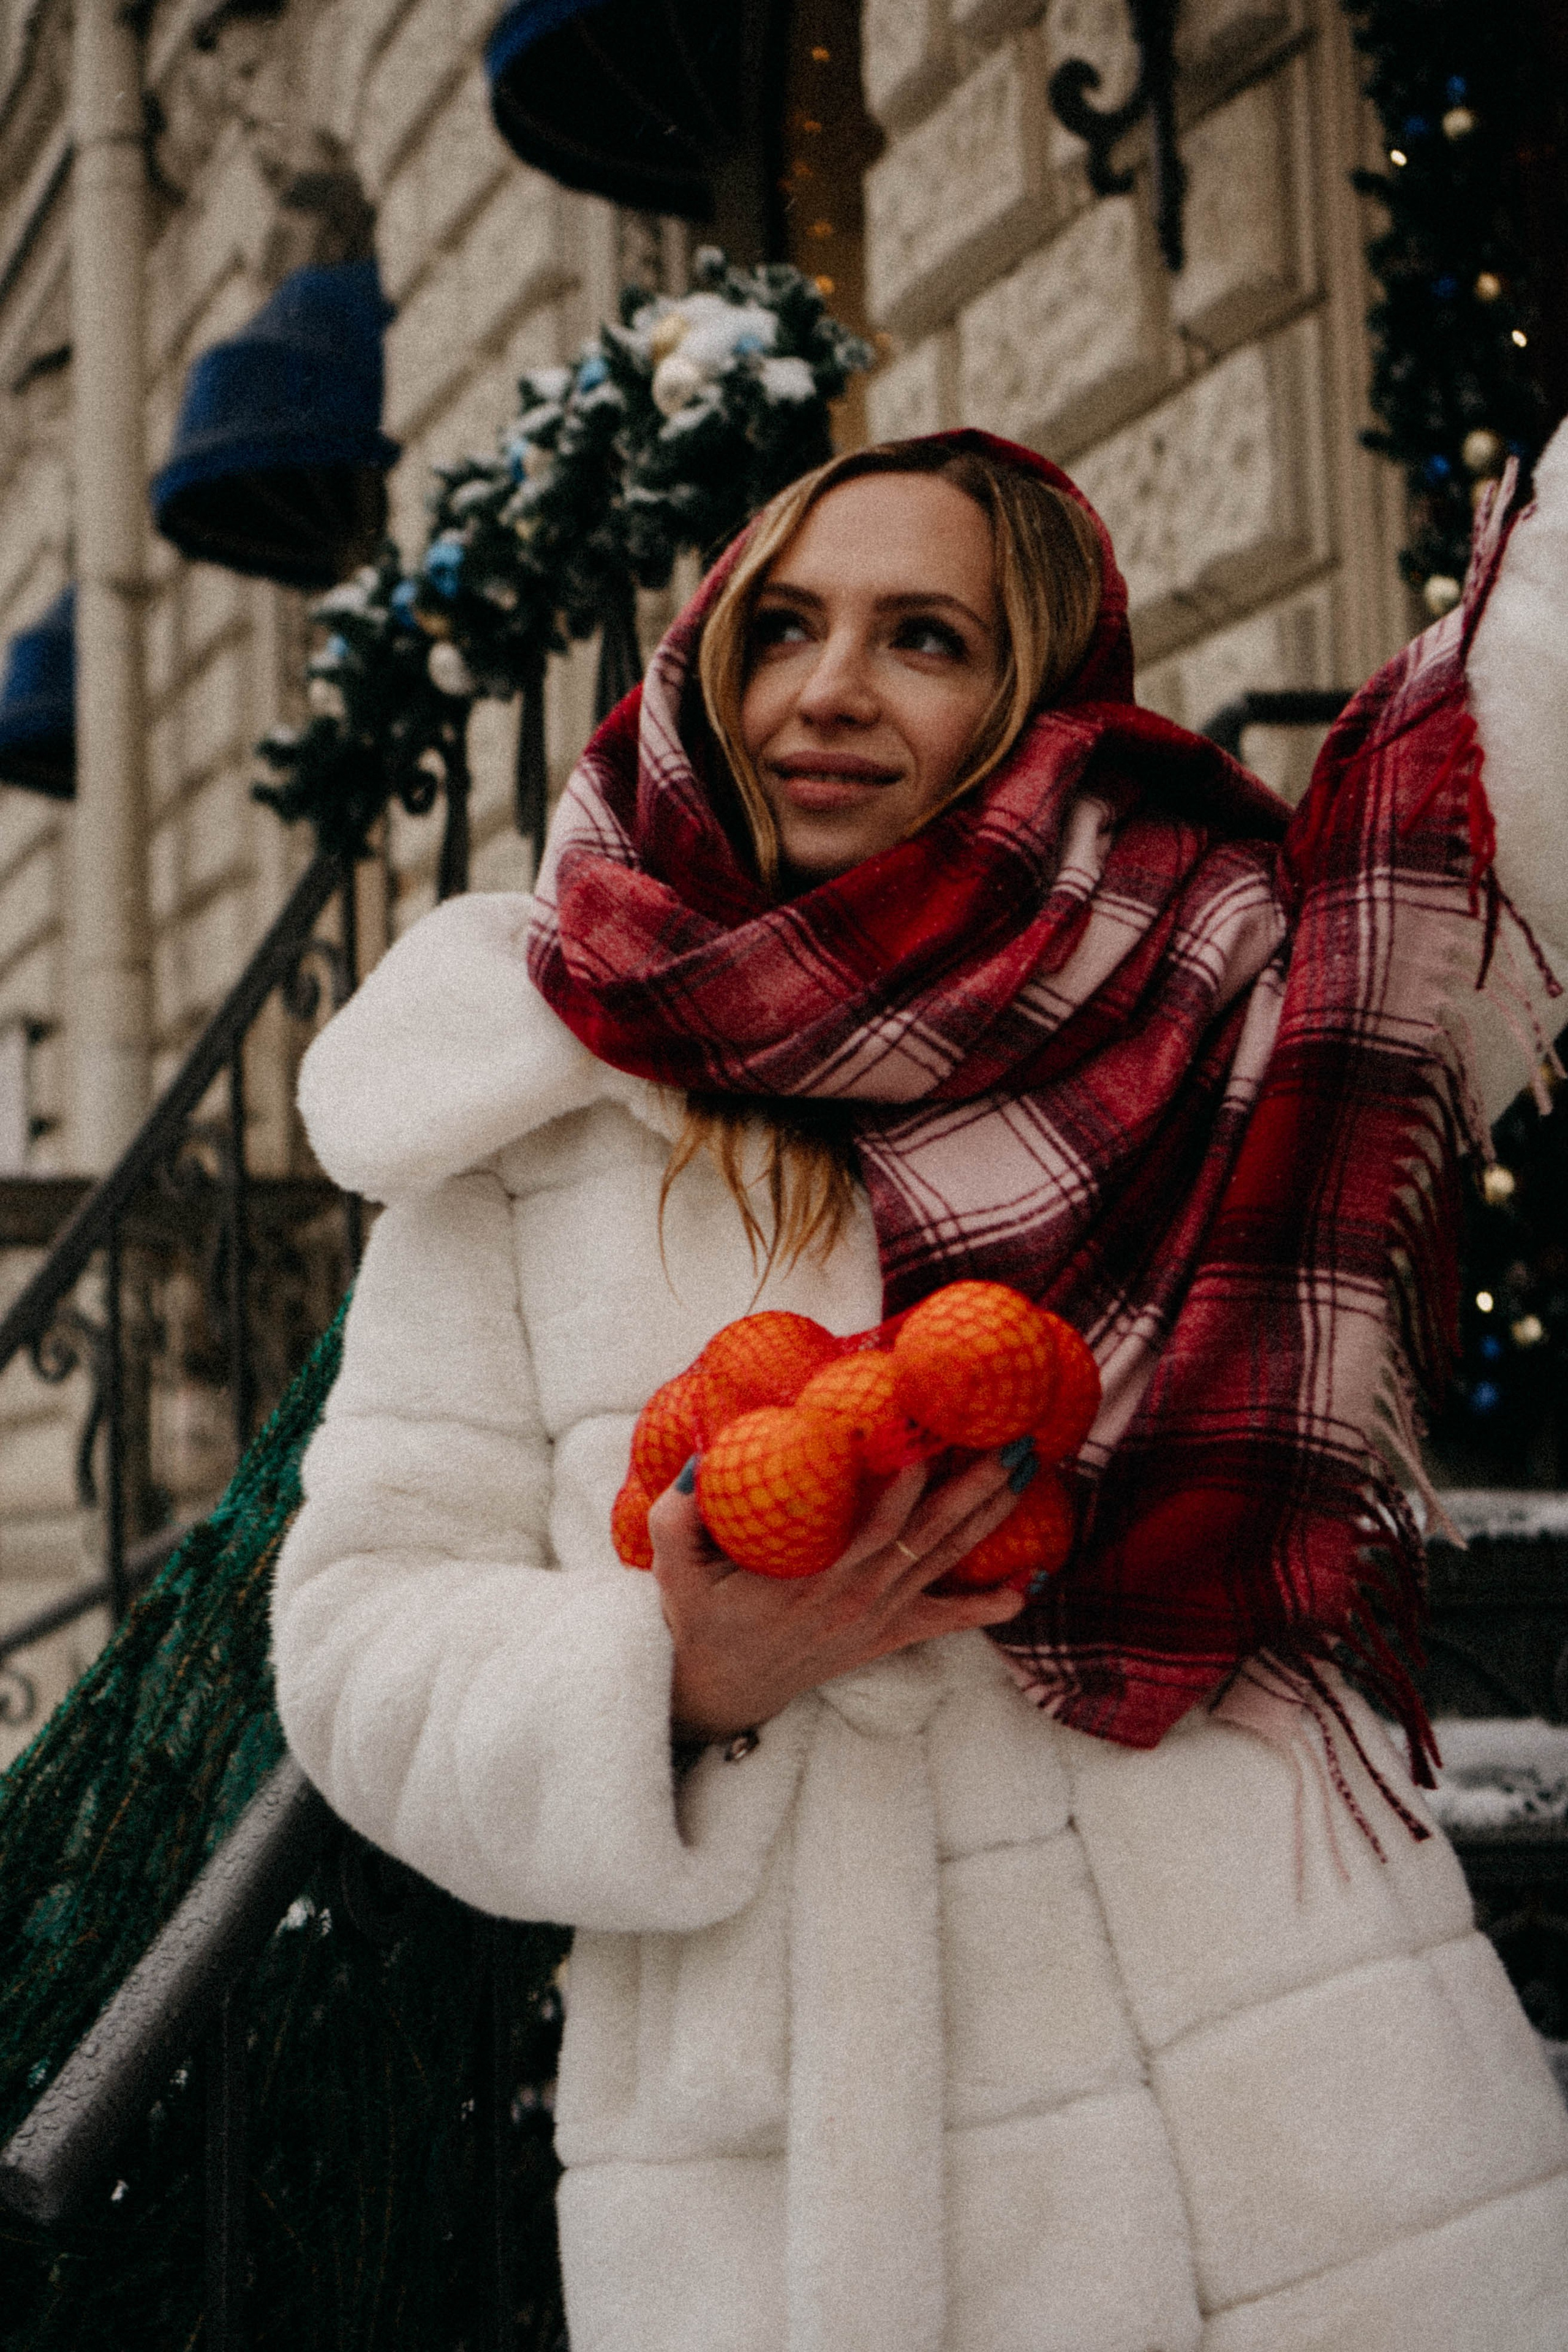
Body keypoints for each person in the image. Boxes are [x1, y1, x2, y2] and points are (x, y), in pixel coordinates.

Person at [271, 426, 1568, 2351]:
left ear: (1034, 697)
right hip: (815, 2190)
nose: (830, 690)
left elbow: (1516, 768)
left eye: (925, 637)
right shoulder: (537, 1100)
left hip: (1299, 2127)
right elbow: (357, 1632)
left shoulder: (1219, 983)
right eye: (782, 625)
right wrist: (685, 1672)